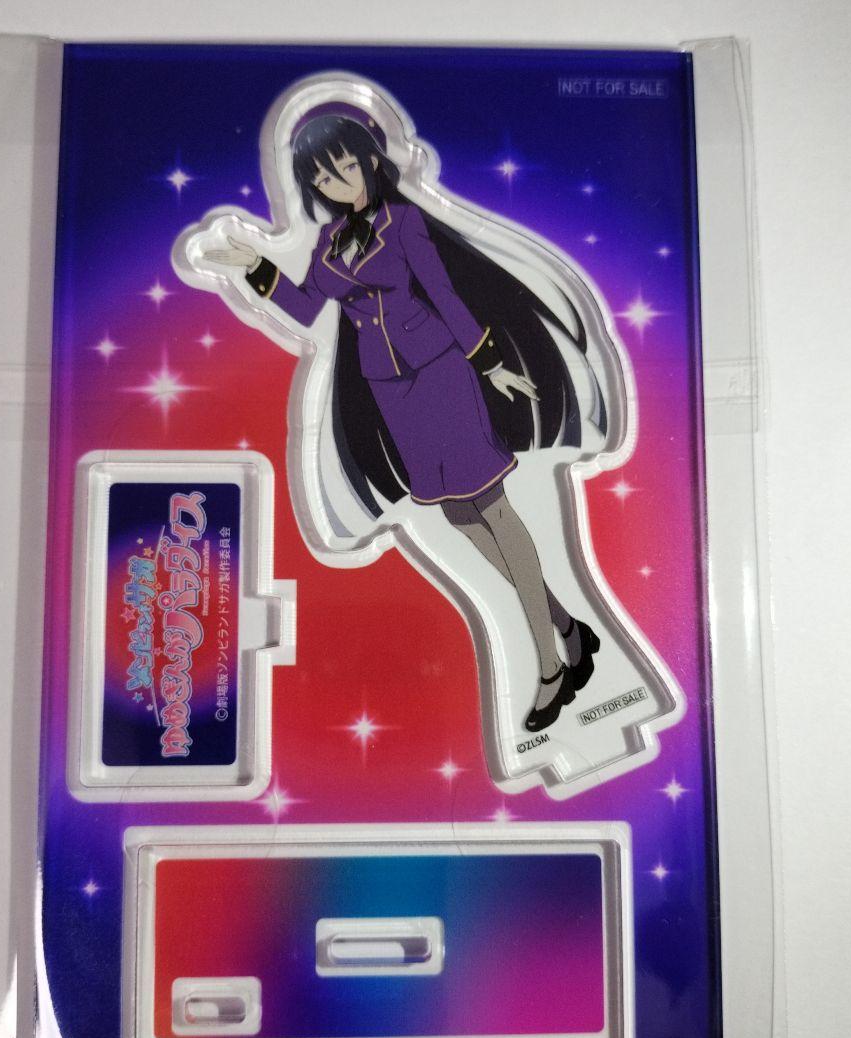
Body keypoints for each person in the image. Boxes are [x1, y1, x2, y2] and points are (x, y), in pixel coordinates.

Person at [205, 113, 601, 732]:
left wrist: (491, 363)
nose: (338, 181)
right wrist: (255, 265)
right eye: (323, 177)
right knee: (459, 515)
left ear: (369, 160)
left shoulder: (403, 222)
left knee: (493, 508)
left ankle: (551, 666)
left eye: (345, 165)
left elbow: (445, 294)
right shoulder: (329, 241)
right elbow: (306, 309)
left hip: (441, 373)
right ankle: (567, 626)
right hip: (392, 392)